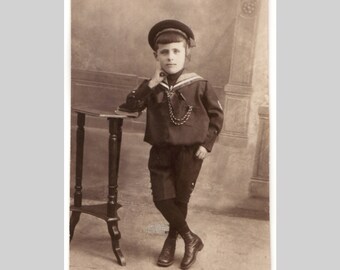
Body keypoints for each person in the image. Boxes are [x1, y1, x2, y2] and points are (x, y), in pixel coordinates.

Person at [118, 19, 224, 269]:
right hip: (161, 151)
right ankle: (190, 238)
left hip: (190, 152)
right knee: (161, 198)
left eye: (176, 51)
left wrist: (207, 145)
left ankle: (171, 241)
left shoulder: (199, 84)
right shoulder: (153, 86)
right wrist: (151, 83)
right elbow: (129, 107)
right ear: (156, 56)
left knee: (180, 200)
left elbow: (217, 117)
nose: (170, 57)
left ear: (186, 53)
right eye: (164, 52)